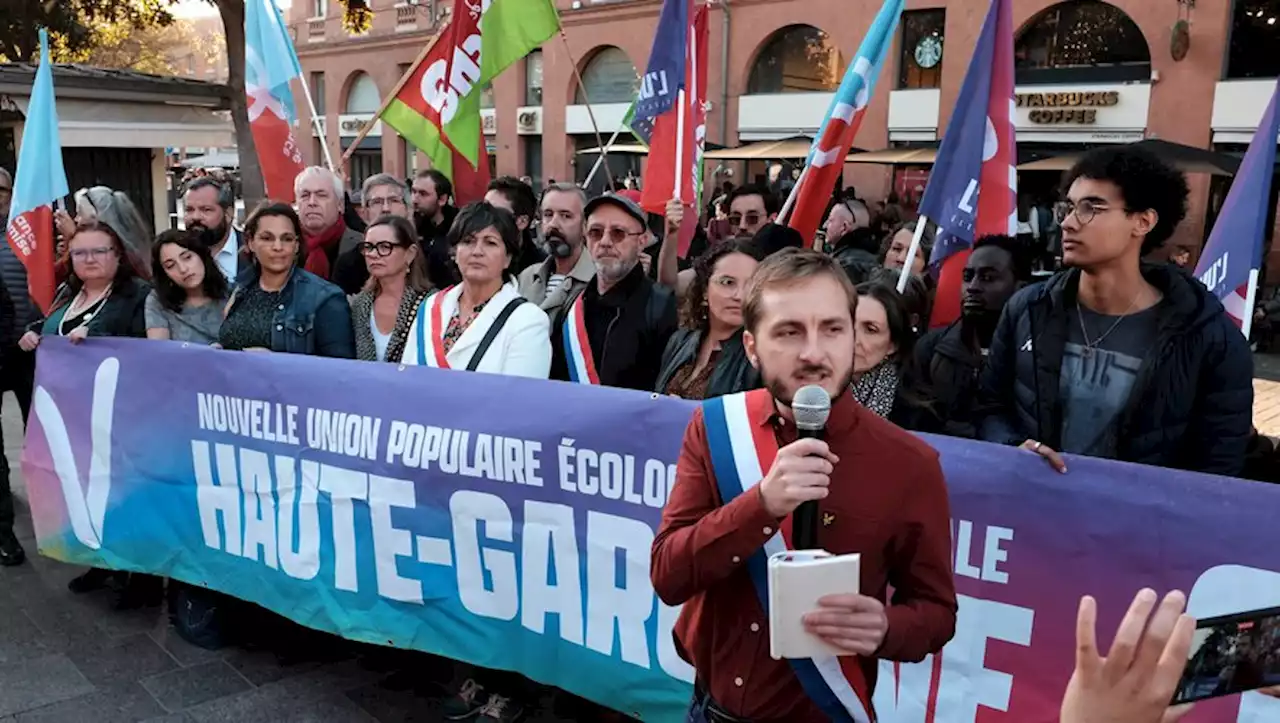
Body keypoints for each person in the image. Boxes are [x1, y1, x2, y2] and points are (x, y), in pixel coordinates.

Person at [651, 248, 956, 722]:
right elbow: (668, 576)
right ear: (752, 347)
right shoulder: (715, 426)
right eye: (789, 332)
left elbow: (937, 614)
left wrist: (887, 627)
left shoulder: (910, 465)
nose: (814, 353)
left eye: (832, 329)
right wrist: (760, 507)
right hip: (708, 708)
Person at [977, 146, 1253, 477]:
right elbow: (988, 406)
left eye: (1091, 208)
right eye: (1068, 207)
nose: (1067, 222)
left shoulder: (1208, 337)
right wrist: (1012, 447)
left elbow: (1218, 464)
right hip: (1033, 510)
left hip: (1139, 523)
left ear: (1143, 221)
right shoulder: (1027, 309)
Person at [19, 220, 152, 595]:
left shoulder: (138, 295)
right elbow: (54, 326)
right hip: (73, 417)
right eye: (80, 253)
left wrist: (100, 340)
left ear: (117, 255)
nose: (89, 259)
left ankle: (139, 579)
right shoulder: (69, 291)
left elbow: (148, 346)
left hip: (119, 414)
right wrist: (34, 331)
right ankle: (98, 562)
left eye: (99, 251)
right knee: (85, 492)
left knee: (124, 494)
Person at [401, 202, 550, 378]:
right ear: (454, 253)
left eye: (490, 243)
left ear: (507, 258)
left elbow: (519, 398)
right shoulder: (431, 307)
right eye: (468, 241)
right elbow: (407, 378)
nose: (477, 251)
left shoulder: (528, 320)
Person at [550, 193, 677, 390]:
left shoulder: (660, 305)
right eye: (595, 232)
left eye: (618, 233)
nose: (605, 241)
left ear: (641, 242)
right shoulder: (572, 305)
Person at [916, 235, 1027, 438]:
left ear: (1019, 287)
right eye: (967, 277)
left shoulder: (1035, 356)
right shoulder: (931, 348)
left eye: (988, 278)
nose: (973, 287)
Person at [219, 202, 355, 358]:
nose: (278, 247)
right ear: (251, 243)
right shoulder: (240, 289)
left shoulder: (325, 298)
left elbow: (340, 371)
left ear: (296, 245)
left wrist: (277, 364)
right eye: (267, 238)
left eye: (287, 239)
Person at [655, 238, 763, 399]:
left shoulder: (760, 354)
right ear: (705, 289)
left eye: (751, 285)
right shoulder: (680, 340)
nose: (740, 296)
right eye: (727, 282)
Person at [853, 279, 940, 431]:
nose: (853, 338)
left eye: (871, 329)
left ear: (892, 345)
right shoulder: (804, 391)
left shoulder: (915, 413)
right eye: (846, 324)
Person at [349, 215, 432, 363]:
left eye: (385, 247)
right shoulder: (360, 304)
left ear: (410, 253)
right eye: (368, 247)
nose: (373, 254)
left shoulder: (432, 304)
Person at [518, 183, 594, 318]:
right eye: (548, 214)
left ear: (585, 225)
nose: (553, 224)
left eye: (565, 216)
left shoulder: (598, 280)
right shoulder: (527, 278)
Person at [332, 173, 413, 295]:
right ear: (364, 213)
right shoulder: (349, 264)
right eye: (377, 202)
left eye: (394, 200)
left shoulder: (429, 257)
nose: (386, 208)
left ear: (408, 209)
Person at [146, 228, 230, 344]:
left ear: (201, 256)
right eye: (170, 266)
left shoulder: (231, 293)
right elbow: (159, 352)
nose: (183, 269)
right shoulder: (157, 300)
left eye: (187, 258)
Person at [294, 166, 364, 293]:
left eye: (321, 195)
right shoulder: (285, 247)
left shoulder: (362, 247)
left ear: (340, 205)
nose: (312, 202)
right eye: (305, 195)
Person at [182, 176, 241, 284]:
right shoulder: (177, 254)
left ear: (228, 214)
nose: (195, 217)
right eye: (189, 210)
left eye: (206, 210)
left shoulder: (253, 251)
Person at [484, 176, 546, 275]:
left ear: (522, 222)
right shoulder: (472, 260)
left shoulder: (541, 269)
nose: (484, 218)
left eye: (495, 213)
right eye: (483, 210)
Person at [411, 168, 460, 290]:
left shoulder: (459, 230)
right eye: (413, 192)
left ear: (442, 199)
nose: (415, 200)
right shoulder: (412, 226)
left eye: (423, 194)